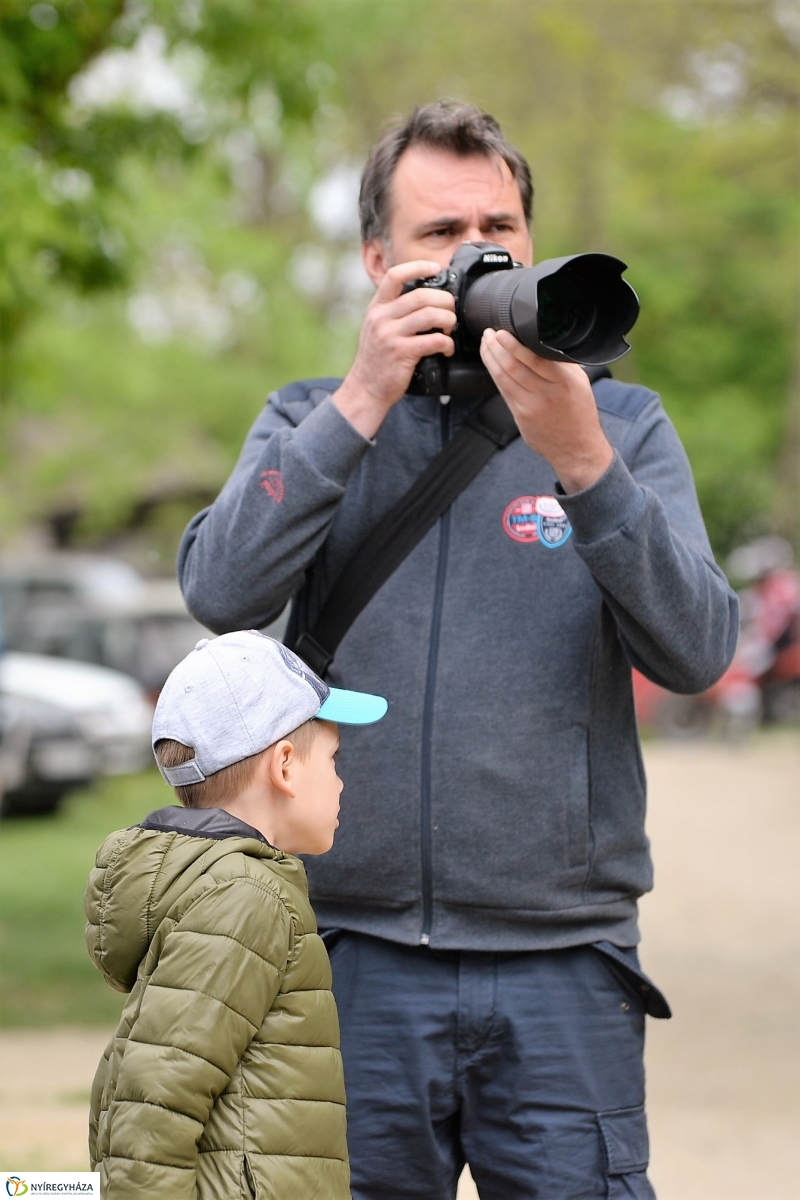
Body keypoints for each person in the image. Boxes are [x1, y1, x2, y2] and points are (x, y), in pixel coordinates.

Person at [177, 102, 739, 1199]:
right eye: (440, 232)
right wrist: (357, 405)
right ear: (375, 259)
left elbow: (696, 651)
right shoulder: (308, 418)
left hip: (563, 966)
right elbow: (220, 589)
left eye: (500, 224)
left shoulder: (621, 427)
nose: (477, 251)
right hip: (343, 962)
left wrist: (581, 463)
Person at [85, 630, 387, 1199]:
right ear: (287, 766)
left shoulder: (237, 888)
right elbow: (152, 1110)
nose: (343, 781)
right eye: (334, 758)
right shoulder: (243, 900)